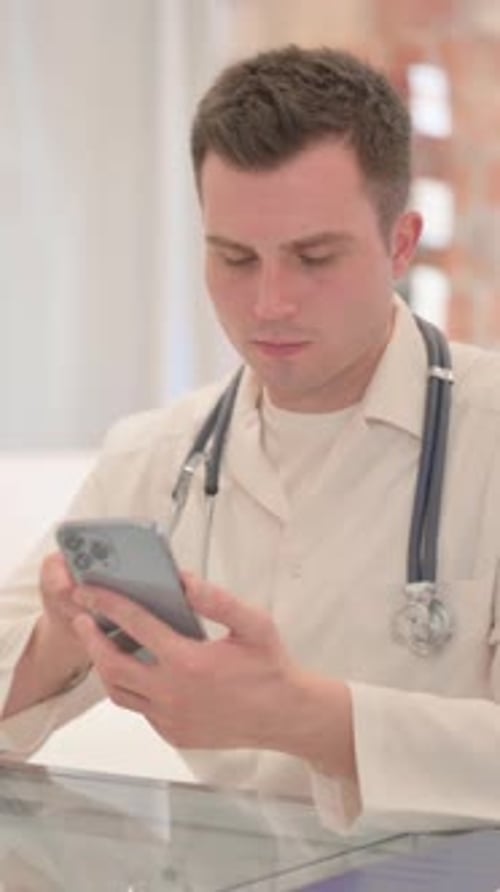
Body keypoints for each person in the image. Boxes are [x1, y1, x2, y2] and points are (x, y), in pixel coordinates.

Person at [1, 44, 500, 836]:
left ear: (401, 244)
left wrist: (306, 718)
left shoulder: (486, 436)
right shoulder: (155, 456)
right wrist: (64, 636)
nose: (269, 303)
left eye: (314, 258)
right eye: (235, 257)